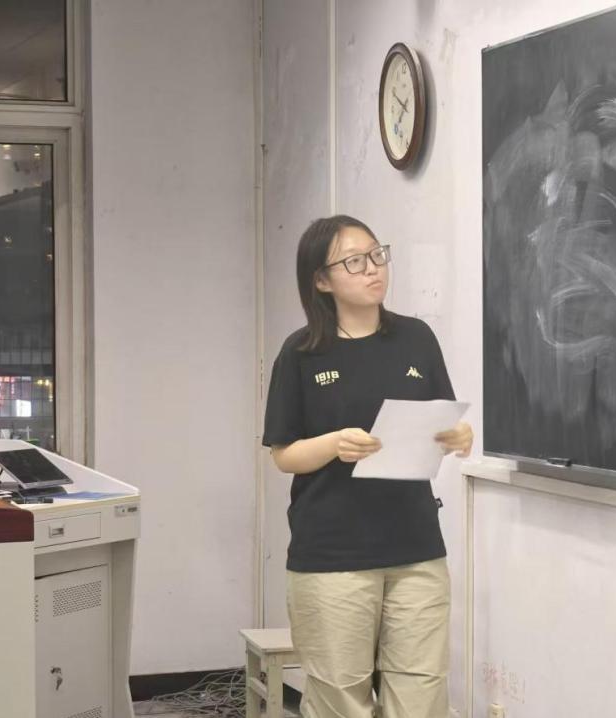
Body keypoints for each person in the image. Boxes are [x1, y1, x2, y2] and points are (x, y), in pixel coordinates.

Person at [262, 215, 473, 718]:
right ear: (321, 280)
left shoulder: (416, 338)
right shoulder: (301, 352)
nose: (373, 269)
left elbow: (438, 420)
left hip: (415, 547)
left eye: (377, 255)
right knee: (340, 697)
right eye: (354, 262)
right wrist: (332, 444)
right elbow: (283, 454)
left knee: (421, 694)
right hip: (333, 551)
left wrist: (458, 437)